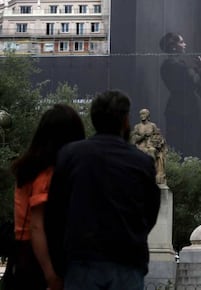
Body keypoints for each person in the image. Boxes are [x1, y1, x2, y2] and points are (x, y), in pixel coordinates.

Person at [45, 90, 161, 290]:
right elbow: (151, 211)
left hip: (81, 262)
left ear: (93, 118)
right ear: (125, 121)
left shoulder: (70, 156)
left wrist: (59, 264)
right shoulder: (142, 162)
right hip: (127, 262)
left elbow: (54, 213)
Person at [10, 104, 85, 290]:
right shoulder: (47, 175)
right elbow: (37, 226)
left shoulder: (30, 169)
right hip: (38, 258)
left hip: (22, 254)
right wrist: (50, 274)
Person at [159, 32, 201, 159]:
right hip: (185, 111)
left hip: (177, 108)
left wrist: (199, 70)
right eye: (181, 42)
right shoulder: (176, 67)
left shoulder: (169, 66)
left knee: (180, 147)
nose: (185, 44)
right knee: (189, 147)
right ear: (173, 47)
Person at [131, 108, 167, 184]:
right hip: (140, 146)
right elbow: (133, 139)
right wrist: (143, 136)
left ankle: (151, 172)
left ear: (147, 115)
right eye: (140, 114)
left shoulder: (152, 125)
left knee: (151, 151)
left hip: (150, 145)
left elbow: (158, 136)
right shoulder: (137, 126)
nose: (141, 116)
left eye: (143, 114)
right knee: (139, 153)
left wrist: (157, 141)